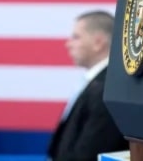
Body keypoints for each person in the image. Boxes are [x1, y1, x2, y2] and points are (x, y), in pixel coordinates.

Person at [47, 10, 128, 161]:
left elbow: (90, 153)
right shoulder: (96, 83)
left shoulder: (106, 89)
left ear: (98, 42)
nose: (68, 44)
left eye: (76, 37)